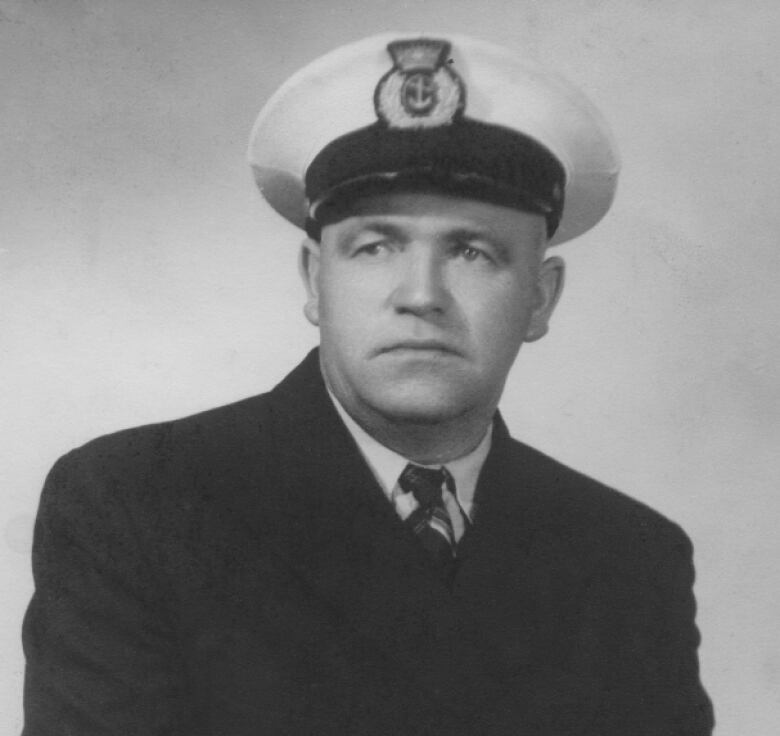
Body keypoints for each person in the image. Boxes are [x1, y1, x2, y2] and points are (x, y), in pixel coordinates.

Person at [22, 32, 714, 735]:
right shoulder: (139, 506)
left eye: (473, 252)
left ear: (540, 297)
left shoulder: (630, 559)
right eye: (375, 246)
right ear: (314, 281)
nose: (421, 295)